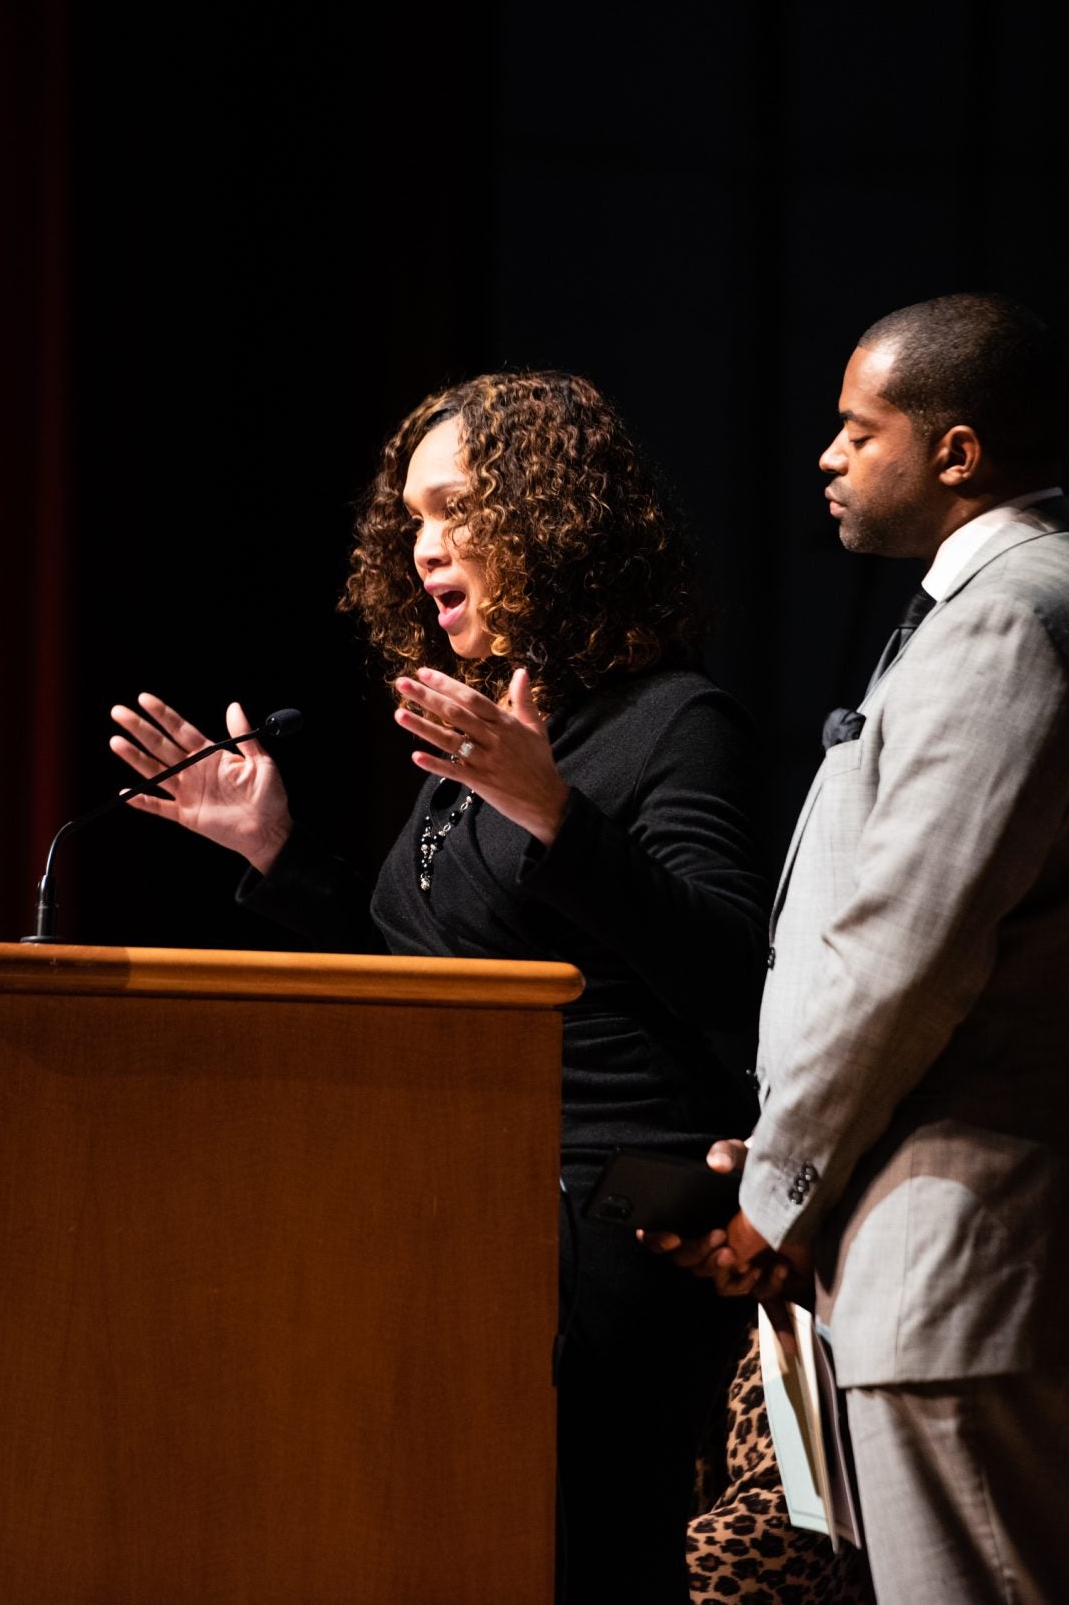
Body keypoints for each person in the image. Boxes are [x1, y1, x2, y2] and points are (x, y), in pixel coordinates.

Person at [111, 369, 764, 1603]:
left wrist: (557, 815)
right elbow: (429, 999)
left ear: (553, 518)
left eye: (457, 510)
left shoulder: (670, 723)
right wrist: (277, 854)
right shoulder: (486, 740)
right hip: (468, 1205)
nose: (425, 548)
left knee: (582, 1556)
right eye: (410, 519)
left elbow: (734, 976)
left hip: (622, 1210)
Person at [654, 294, 1069, 1605]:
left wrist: (776, 1192)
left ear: (956, 451)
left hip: (963, 1258)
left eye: (861, 430)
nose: (828, 455)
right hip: (917, 1244)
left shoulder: (1014, 620)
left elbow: (903, 954)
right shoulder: (1000, 605)